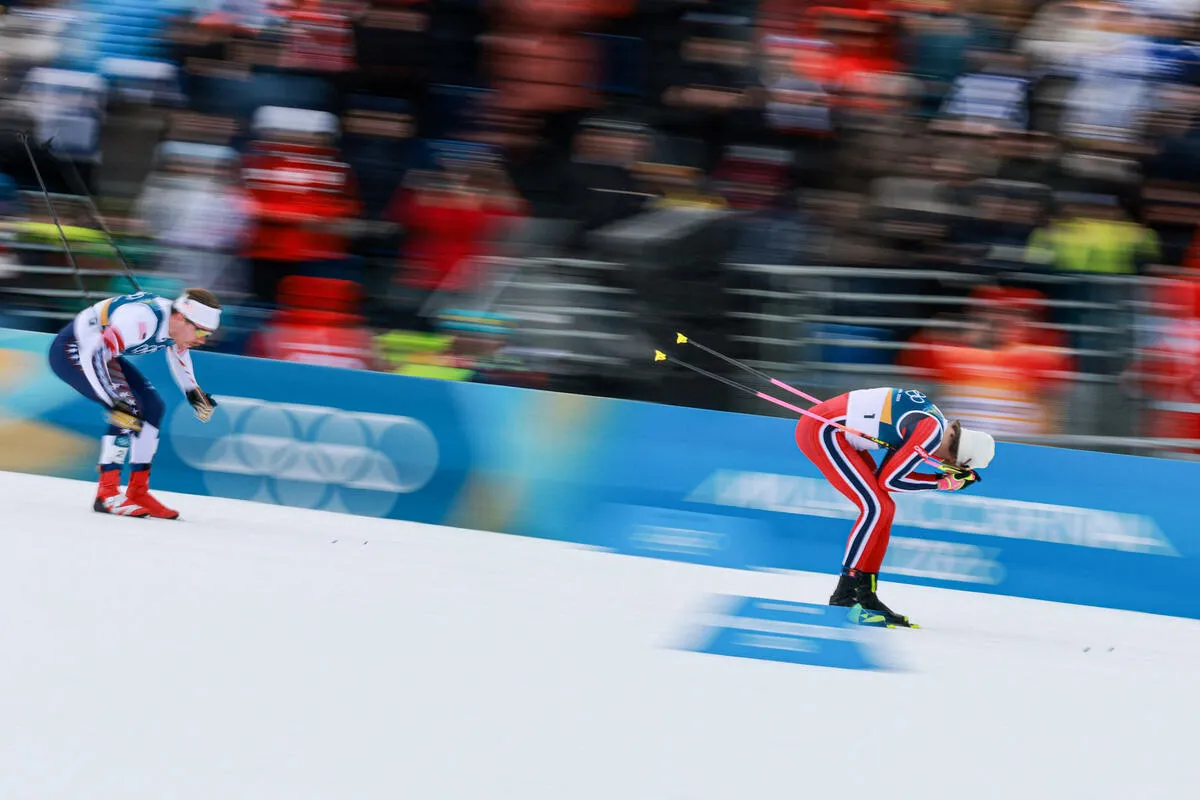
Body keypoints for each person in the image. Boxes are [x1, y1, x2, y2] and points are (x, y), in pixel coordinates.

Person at [795, 386, 996, 628]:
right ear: (955, 458)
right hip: (823, 430)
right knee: (875, 508)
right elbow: (889, 480)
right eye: (949, 463)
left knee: (884, 508)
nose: (941, 462)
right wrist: (941, 483)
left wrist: (940, 480)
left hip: (831, 426)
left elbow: (887, 474)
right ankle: (844, 597)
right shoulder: (931, 433)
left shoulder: (935, 421)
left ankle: (865, 595)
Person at [47, 288, 222, 519]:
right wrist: (112, 399)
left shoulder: (177, 324)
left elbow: (179, 353)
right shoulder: (140, 320)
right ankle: (106, 494)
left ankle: (138, 491)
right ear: (181, 317)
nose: (202, 339)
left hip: (102, 353)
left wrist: (193, 392)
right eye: (200, 331)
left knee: (153, 407)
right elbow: (95, 354)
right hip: (75, 350)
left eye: (207, 334)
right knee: (127, 409)